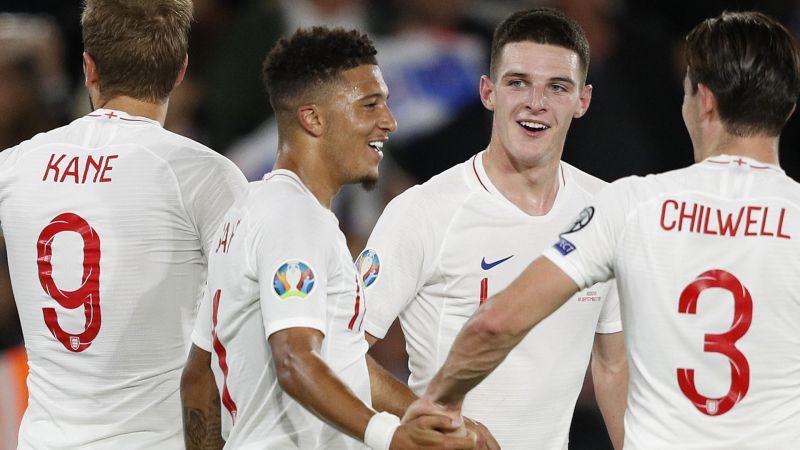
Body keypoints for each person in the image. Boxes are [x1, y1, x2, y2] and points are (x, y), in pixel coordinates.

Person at [404, 10, 800, 449]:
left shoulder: (628, 206)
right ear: (787, 107)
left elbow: (497, 322)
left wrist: (434, 408)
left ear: (702, 100)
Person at [181, 26, 476, 450]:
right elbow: (295, 359)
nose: (389, 121)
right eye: (370, 105)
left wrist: (426, 417)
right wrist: (390, 436)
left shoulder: (248, 212)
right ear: (313, 117)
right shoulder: (294, 218)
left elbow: (199, 376)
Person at [359, 7, 628, 449]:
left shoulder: (607, 211)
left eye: (557, 87)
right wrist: (433, 422)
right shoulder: (425, 211)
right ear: (488, 92)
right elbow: (339, 350)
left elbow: (613, 367)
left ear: (583, 100)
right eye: (518, 82)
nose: (535, 102)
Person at [0, 0, 248, 448]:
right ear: (180, 70)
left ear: (89, 67)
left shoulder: (14, 166)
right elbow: (243, 335)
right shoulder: (204, 175)